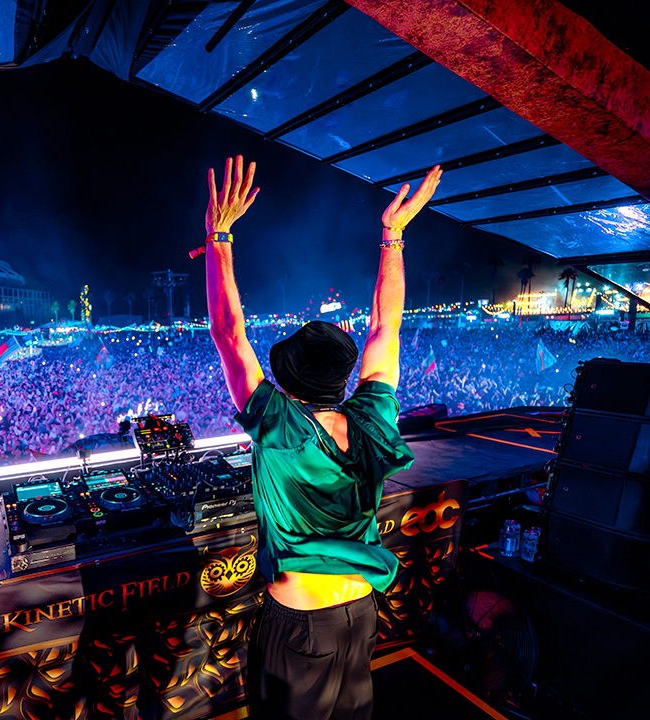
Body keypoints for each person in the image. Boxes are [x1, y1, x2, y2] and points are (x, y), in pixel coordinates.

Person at [203, 155, 442, 719]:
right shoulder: (372, 418)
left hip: (301, 623)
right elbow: (386, 327)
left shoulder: (280, 426)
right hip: (360, 611)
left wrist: (219, 237)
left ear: (285, 381)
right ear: (342, 377)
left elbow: (228, 333)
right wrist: (392, 236)